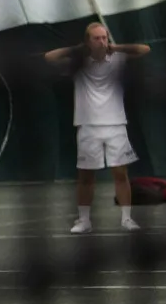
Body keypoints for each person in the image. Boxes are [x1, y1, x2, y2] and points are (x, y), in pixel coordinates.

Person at [44, 22, 150, 234]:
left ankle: (126, 219)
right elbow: (49, 57)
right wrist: (77, 50)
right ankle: (84, 220)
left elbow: (145, 49)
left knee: (120, 173)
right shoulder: (79, 63)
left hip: (115, 124)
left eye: (104, 37)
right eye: (97, 38)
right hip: (87, 125)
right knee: (85, 176)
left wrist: (116, 47)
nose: (102, 42)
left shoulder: (118, 59)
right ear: (88, 41)